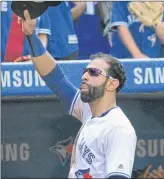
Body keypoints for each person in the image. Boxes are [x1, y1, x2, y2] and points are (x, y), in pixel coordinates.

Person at [21, 9, 137, 178]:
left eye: (93, 73)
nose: (84, 76)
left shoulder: (118, 128)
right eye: (85, 71)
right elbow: (55, 79)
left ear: (112, 84)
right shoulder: (89, 111)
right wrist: (31, 34)